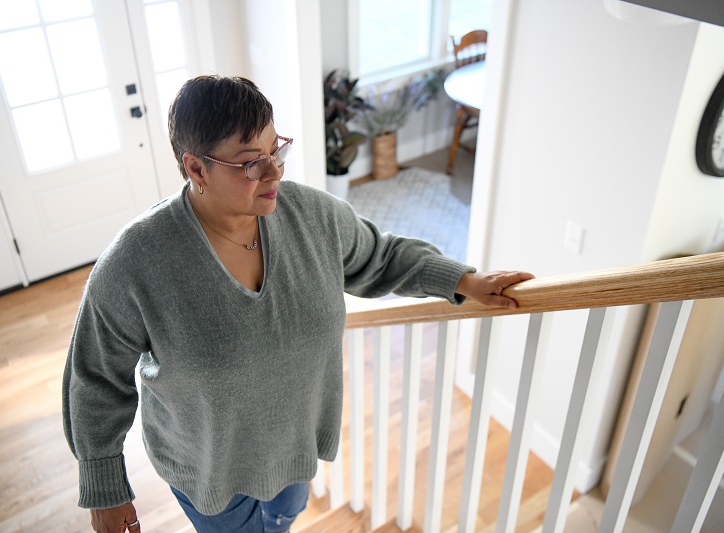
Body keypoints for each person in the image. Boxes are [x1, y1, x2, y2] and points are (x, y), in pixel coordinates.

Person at [62, 74, 533, 533]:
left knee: (285, 517)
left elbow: (381, 255)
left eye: (276, 150)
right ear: (196, 168)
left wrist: (465, 280)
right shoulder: (135, 263)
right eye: (250, 163)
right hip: (207, 472)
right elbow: (95, 380)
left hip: (293, 453)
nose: (274, 172)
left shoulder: (313, 215)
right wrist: (106, 487)